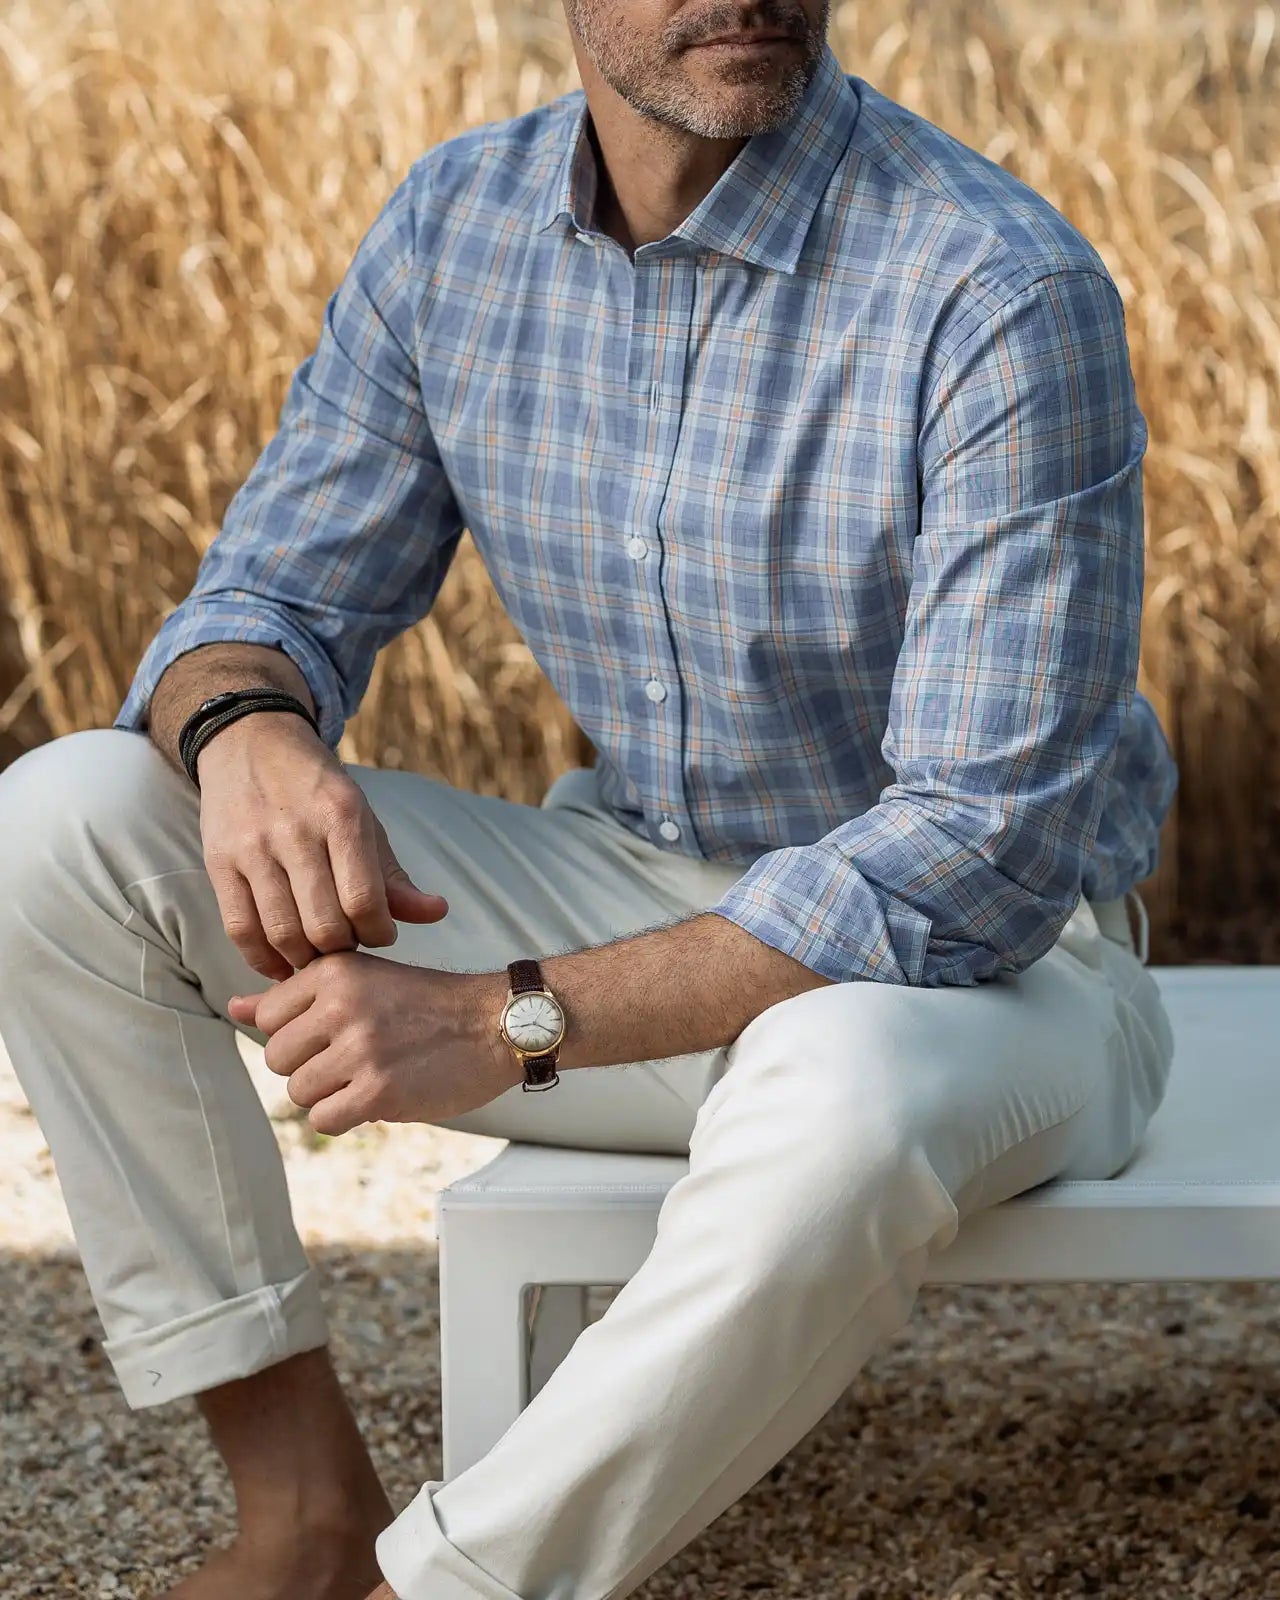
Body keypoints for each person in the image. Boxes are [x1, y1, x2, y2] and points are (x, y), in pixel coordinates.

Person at [0, 1, 1181, 1597]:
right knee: (65, 821)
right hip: (632, 891)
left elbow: (980, 846)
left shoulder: (994, 285)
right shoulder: (458, 230)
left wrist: (500, 1021)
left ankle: (445, 1589)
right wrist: (253, 737)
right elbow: (261, 600)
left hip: (1004, 976)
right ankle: (301, 1521)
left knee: (843, 1077)